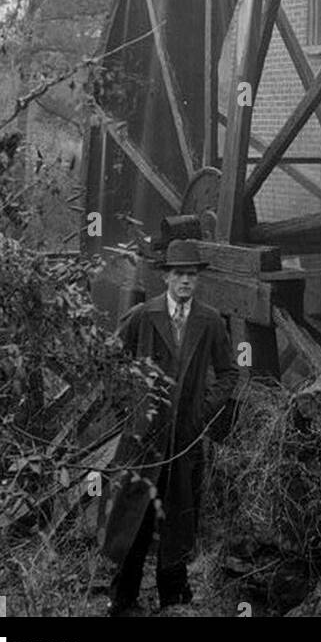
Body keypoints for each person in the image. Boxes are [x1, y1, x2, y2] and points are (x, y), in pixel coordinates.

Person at [99, 239, 237, 615]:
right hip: (144, 439)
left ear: (198, 279)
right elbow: (110, 360)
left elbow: (228, 373)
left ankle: (173, 600)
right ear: (166, 277)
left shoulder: (209, 320)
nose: (186, 281)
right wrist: (128, 406)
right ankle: (122, 598)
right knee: (135, 517)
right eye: (179, 274)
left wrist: (202, 411)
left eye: (192, 275)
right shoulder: (144, 315)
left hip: (184, 439)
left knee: (178, 515)